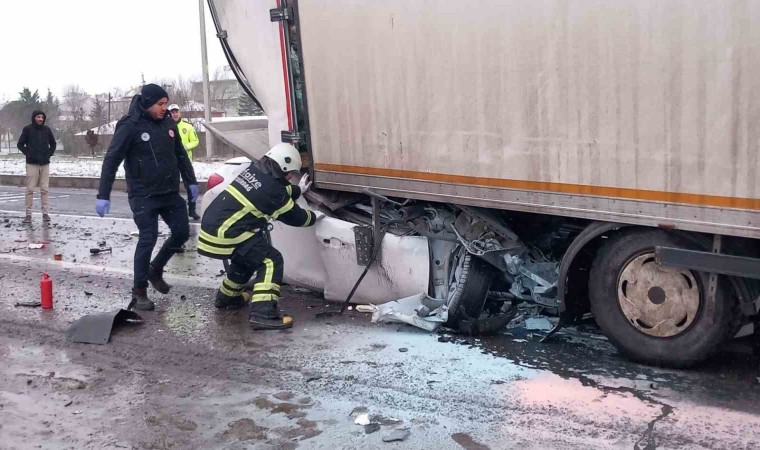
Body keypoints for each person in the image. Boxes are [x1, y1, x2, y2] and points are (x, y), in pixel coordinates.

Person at [96, 84, 199, 311]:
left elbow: (181, 155)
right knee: (148, 237)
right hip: (143, 194)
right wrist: (103, 194)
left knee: (182, 232)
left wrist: (191, 181)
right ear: (148, 102)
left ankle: (155, 269)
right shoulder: (130, 125)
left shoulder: (168, 123)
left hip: (169, 192)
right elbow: (112, 159)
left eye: (166, 104)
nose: (164, 108)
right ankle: (140, 290)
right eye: (160, 104)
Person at [198, 143, 321, 330]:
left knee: (246, 259)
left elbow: (274, 189)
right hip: (227, 233)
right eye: (290, 173)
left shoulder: (255, 171)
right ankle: (263, 314)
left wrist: (298, 190)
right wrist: (315, 217)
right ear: (282, 167)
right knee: (270, 260)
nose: (290, 177)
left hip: (214, 228)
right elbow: (296, 217)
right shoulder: (273, 191)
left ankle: (227, 298)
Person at [17, 110, 56, 223]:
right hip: (32, 164)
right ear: (34, 118)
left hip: (45, 164)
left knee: (44, 189)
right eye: (38, 117)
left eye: (42, 117)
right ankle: (28, 214)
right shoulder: (28, 129)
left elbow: (53, 143)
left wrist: (49, 154)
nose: (40, 119)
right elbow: (20, 144)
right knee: (30, 189)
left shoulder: (47, 130)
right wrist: (28, 153)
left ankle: (45, 213)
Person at [168, 104, 201, 220]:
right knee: (172, 187)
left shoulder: (187, 126)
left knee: (191, 185)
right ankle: (172, 210)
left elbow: (195, 141)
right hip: (171, 162)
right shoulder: (166, 127)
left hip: (185, 161)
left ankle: (192, 210)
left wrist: (185, 147)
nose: (175, 114)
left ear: (179, 112)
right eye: (172, 112)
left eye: (176, 111)